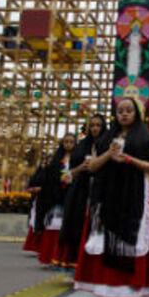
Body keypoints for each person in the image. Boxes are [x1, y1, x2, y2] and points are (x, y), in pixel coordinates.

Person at [75, 97, 149, 297]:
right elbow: (92, 166)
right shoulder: (105, 139)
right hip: (107, 197)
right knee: (105, 245)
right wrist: (109, 155)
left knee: (127, 245)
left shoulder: (144, 139)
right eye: (120, 111)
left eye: (129, 111)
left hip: (133, 199)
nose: (124, 114)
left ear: (136, 113)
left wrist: (129, 159)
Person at [59, 114, 107, 273]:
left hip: (101, 193)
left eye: (98, 125)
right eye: (91, 125)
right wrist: (82, 167)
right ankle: (77, 267)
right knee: (78, 228)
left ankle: (96, 269)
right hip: (81, 193)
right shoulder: (81, 147)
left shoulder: (107, 145)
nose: (94, 128)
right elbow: (68, 174)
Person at [37, 133, 78, 269]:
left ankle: (64, 259)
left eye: (71, 142)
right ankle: (51, 257)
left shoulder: (77, 159)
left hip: (71, 196)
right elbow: (50, 178)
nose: (68, 144)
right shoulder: (56, 160)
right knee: (53, 227)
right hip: (56, 197)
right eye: (66, 141)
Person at [22, 155, 53, 254]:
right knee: (34, 221)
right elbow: (31, 183)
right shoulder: (39, 171)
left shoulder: (52, 172)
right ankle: (34, 245)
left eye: (48, 160)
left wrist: (41, 189)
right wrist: (30, 188)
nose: (45, 162)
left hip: (47, 200)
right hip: (36, 200)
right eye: (44, 160)